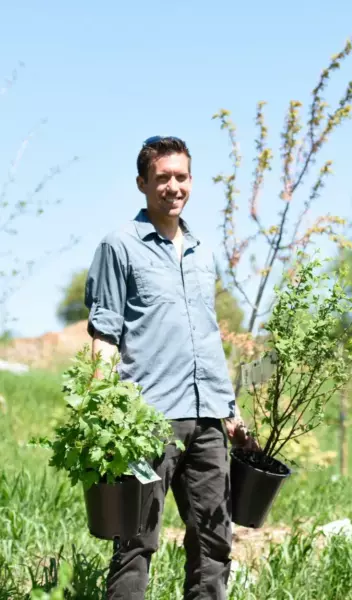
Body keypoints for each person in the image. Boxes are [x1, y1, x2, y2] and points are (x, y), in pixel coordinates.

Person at [85, 136, 257, 600]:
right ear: (143, 183)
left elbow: (205, 336)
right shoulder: (118, 246)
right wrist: (102, 409)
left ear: (191, 181)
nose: (172, 186)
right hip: (147, 419)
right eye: (162, 178)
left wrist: (230, 411)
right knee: (136, 541)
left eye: (180, 177)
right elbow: (105, 334)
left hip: (208, 421)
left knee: (215, 541)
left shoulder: (202, 251)